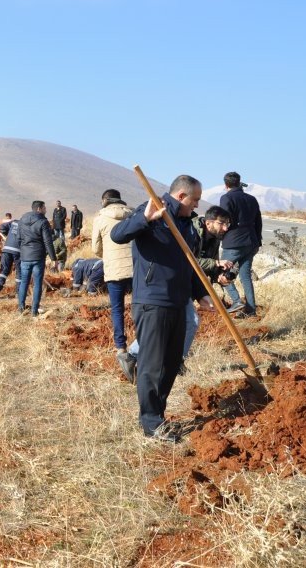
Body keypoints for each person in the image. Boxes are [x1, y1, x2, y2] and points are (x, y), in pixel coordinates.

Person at [110, 175, 212, 442]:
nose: (197, 206)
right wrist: (144, 219)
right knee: (151, 365)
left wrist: (200, 294)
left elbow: (188, 265)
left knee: (170, 362)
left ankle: (158, 415)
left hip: (179, 303)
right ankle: (151, 423)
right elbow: (117, 235)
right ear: (181, 196)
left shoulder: (187, 226)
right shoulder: (151, 211)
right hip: (152, 301)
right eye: (195, 200)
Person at [128, 206, 235, 367]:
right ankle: (167, 360)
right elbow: (187, 260)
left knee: (174, 323)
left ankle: (145, 356)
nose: (226, 228)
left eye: (228, 224)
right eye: (222, 223)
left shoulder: (215, 238)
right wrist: (215, 263)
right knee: (186, 321)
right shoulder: (190, 231)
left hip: (188, 284)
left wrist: (218, 275)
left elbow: (208, 264)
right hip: (172, 283)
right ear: (208, 223)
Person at [91, 189, 135, 381]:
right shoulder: (132, 214)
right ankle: (143, 344)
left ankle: (121, 348)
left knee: (117, 309)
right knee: (139, 306)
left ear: (104, 201)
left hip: (114, 270)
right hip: (136, 269)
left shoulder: (100, 218)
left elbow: (95, 248)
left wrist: (108, 255)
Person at [220, 172, 262, 317]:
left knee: (221, 273)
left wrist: (219, 237)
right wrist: (257, 242)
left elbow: (224, 220)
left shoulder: (226, 198)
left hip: (233, 242)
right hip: (251, 241)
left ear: (226, 185)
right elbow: (258, 221)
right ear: (239, 182)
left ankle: (237, 301)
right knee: (245, 276)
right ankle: (251, 311)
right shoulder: (251, 199)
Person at [17, 201, 57, 317]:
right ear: (39, 209)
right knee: (37, 283)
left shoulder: (22, 220)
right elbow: (47, 241)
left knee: (24, 282)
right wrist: (53, 258)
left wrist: (23, 251)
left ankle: (21, 308)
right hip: (38, 256)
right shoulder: (43, 221)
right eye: (44, 208)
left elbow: (19, 238)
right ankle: (34, 311)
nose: (46, 210)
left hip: (25, 256)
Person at [0, 215, 21, 298]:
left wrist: (7, 236)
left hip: (6, 250)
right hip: (18, 251)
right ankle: (18, 293)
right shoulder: (27, 225)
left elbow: (2, 227)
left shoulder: (14, 222)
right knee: (19, 272)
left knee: (4, 271)